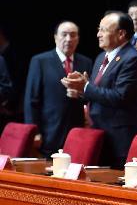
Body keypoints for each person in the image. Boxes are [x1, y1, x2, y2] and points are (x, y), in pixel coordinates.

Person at [62, 11, 137, 168]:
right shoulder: (101, 57)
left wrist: (86, 87)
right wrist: (79, 91)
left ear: (121, 34)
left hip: (122, 138)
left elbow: (119, 97)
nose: (98, 34)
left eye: (103, 30)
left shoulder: (132, 58)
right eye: (98, 29)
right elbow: (98, 93)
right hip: (100, 133)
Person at [24, 21, 92, 157]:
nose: (68, 39)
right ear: (55, 37)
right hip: (49, 131)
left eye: (73, 35)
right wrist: (34, 131)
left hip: (76, 130)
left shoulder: (86, 62)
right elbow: (31, 99)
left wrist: (80, 94)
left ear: (78, 39)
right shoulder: (40, 61)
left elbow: (91, 95)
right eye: (64, 35)